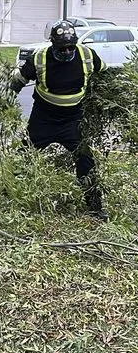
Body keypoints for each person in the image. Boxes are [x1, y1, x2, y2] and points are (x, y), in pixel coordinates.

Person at [10, 20, 107, 218]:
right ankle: (11, 195)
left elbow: (104, 73)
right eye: (62, 48)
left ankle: (95, 207)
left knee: (86, 160)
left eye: (70, 47)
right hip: (43, 119)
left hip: (73, 121)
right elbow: (20, 78)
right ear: (53, 44)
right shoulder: (40, 58)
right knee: (25, 155)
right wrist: (12, 90)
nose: (66, 51)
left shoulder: (87, 55)